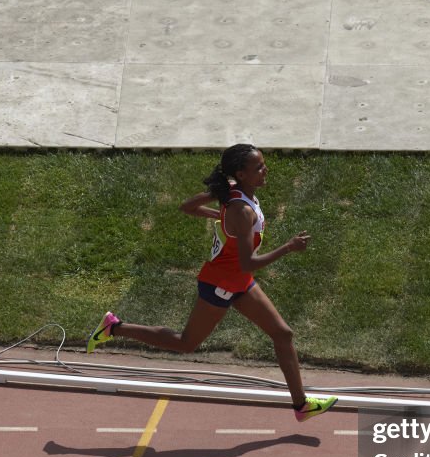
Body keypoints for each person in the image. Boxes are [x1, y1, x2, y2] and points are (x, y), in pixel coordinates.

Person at [86, 143, 337, 422]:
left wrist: (220, 214)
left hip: (240, 283)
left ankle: (301, 405)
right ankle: (114, 328)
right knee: (185, 344)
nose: (266, 170)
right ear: (241, 174)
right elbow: (248, 263)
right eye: (259, 168)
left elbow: (188, 207)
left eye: (263, 164)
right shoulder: (242, 211)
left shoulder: (234, 194)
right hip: (221, 285)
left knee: (283, 334)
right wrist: (287, 248)